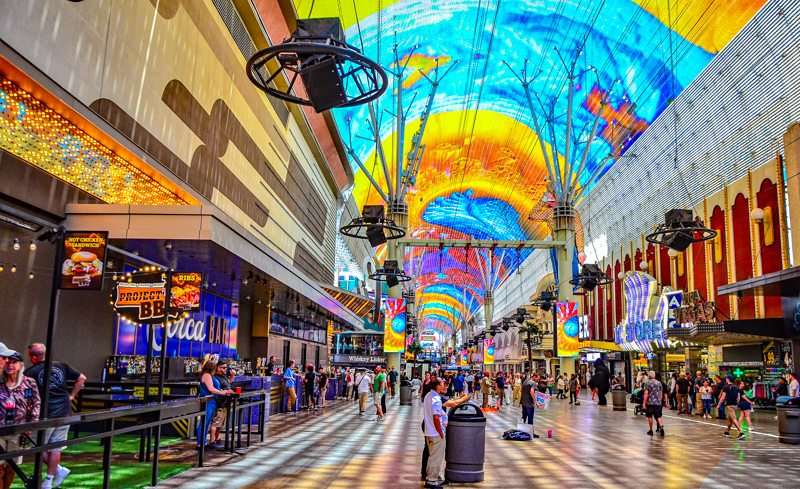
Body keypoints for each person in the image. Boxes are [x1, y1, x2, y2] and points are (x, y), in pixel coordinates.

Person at [25, 343, 85, 488]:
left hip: (45, 414)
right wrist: (71, 396)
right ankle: (49, 480)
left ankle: (58, 471)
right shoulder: (61, 365)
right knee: (56, 447)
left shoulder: (29, 373)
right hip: (64, 411)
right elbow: (82, 378)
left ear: (32, 357)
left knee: (36, 446)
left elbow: (27, 396)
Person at [1, 349, 40, 489]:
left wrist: (30, 425)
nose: (10, 365)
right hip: (0, 429)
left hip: (19, 430)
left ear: (20, 365)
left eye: (14, 362)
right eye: (8, 362)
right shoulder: (0, 381)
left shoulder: (29, 382)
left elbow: (36, 403)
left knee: (12, 467)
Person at [420, 379, 470, 485]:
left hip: (429, 431)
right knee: (435, 458)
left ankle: (436, 477)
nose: (444, 386)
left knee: (432, 456)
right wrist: (440, 432)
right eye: (443, 384)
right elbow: (436, 418)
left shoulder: (429, 395)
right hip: (435, 433)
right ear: (438, 386)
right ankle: (431, 481)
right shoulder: (436, 399)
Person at [196, 360, 232, 449]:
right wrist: (222, 393)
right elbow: (211, 388)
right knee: (204, 423)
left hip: (212, 401)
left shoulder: (209, 376)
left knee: (207, 423)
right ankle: (200, 443)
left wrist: (222, 392)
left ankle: (203, 442)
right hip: (208, 402)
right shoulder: (207, 375)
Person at [208, 361, 232, 448]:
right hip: (219, 403)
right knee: (215, 422)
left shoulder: (223, 377)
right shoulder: (215, 379)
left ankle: (217, 439)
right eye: (224, 368)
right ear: (218, 368)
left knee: (220, 424)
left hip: (225, 403)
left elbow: (228, 384)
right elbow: (216, 389)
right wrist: (225, 392)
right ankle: (212, 441)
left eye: (226, 367)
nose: (226, 369)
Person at [717, 375, 745, 440]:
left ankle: (741, 432)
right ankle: (727, 432)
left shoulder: (725, 387)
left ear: (728, 379)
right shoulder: (737, 387)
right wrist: (737, 404)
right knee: (730, 418)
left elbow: (723, 397)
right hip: (735, 404)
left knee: (734, 418)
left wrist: (719, 405)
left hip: (730, 405)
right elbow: (738, 398)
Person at [642, 371, 665, 436]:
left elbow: (646, 393)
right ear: (654, 376)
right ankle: (661, 427)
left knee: (650, 416)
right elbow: (661, 393)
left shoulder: (647, 383)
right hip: (657, 402)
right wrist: (660, 401)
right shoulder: (659, 383)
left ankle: (651, 429)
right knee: (658, 416)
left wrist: (644, 402)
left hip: (650, 402)